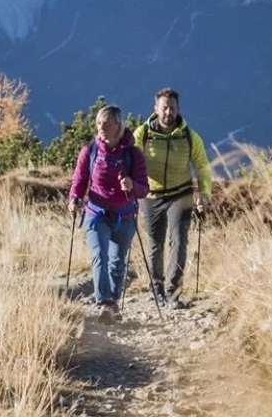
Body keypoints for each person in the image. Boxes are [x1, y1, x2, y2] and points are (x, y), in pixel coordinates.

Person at [134, 88, 213, 308]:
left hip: (181, 193)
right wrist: (130, 184)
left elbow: (202, 167)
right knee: (155, 243)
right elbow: (131, 158)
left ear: (178, 109)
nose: (168, 112)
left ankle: (173, 293)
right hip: (151, 195)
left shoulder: (189, 136)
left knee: (179, 240)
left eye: (172, 108)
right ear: (155, 109)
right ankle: (157, 289)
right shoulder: (143, 134)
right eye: (165, 107)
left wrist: (204, 194)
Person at [68, 104, 150, 319]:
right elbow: (79, 180)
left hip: (125, 216)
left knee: (117, 262)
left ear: (118, 126)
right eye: (98, 123)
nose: (101, 127)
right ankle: (105, 303)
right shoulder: (90, 151)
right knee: (100, 256)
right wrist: (74, 198)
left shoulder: (133, 155)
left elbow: (144, 189)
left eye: (107, 123)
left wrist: (132, 185)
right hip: (96, 214)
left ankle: (112, 303)